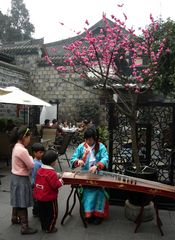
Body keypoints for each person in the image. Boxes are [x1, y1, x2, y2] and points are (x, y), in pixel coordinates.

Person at [70, 127, 109, 225]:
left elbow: (105, 158)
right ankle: (88, 214)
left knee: (99, 193)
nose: (88, 141)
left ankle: (98, 215)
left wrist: (97, 165)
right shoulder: (81, 146)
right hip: (85, 175)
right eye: (86, 139)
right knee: (87, 193)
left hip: (98, 174)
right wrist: (78, 161)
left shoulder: (101, 147)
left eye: (90, 139)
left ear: (94, 138)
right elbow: (73, 158)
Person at [10, 126, 37, 235]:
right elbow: (31, 165)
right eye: (29, 137)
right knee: (22, 202)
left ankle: (14, 218)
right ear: (23, 137)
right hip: (21, 178)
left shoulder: (16, 146)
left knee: (17, 198)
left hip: (14, 177)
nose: (29, 140)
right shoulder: (22, 150)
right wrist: (31, 158)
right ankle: (24, 227)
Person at [33, 149, 64, 233]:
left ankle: (44, 227)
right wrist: (61, 180)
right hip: (49, 198)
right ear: (52, 162)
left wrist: (56, 175)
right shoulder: (51, 173)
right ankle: (50, 228)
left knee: (42, 213)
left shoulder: (40, 170)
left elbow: (45, 178)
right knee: (53, 214)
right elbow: (55, 185)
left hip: (40, 196)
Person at [31, 142, 45, 217]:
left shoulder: (39, 161)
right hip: (36, 184)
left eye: (43, 152)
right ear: (34, 153)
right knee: (37, 200)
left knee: (37, 199)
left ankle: (36, 212)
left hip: (36, 184)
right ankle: (37, 212)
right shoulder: (36, 164)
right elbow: (36, 175)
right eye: (40, 152)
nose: (42, 154)